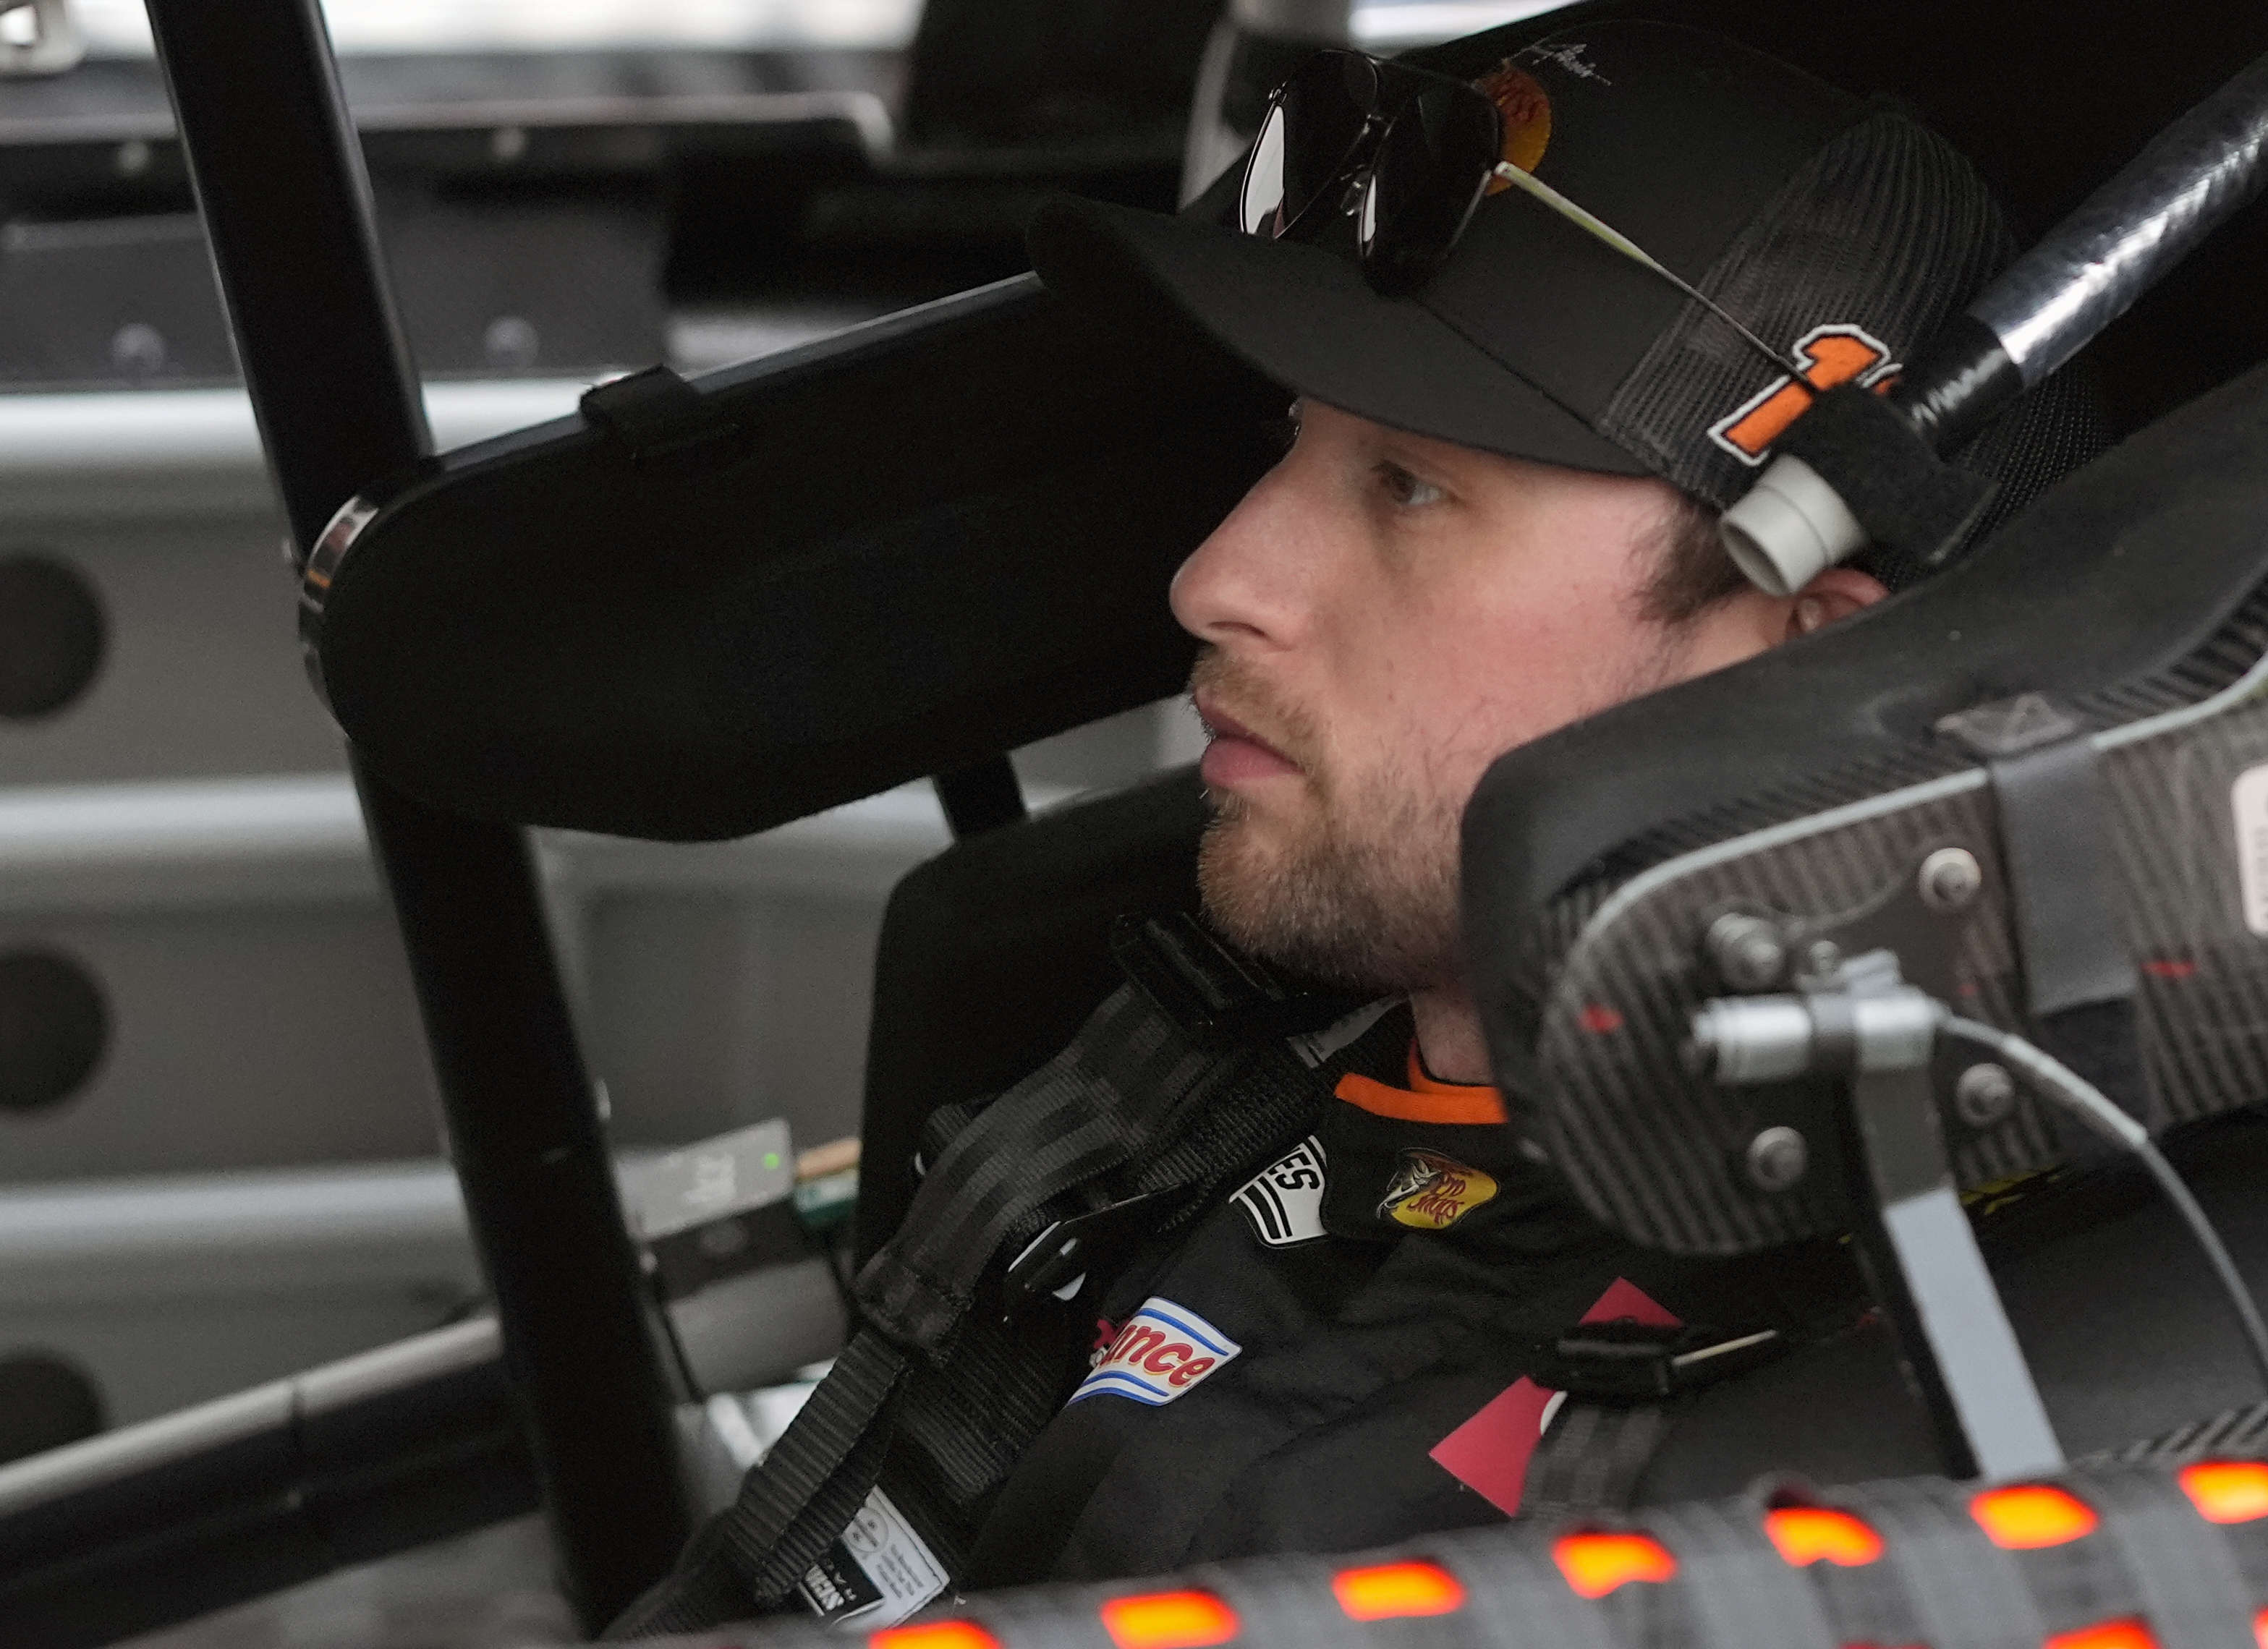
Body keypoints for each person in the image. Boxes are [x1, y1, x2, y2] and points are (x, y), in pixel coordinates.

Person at [612, 14, 2106, 1634]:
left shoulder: (1821, 1446)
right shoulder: (1214, 1030)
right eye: (1291, 447)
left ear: (1805, 652)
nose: (1215, 580)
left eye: (1408, 487)